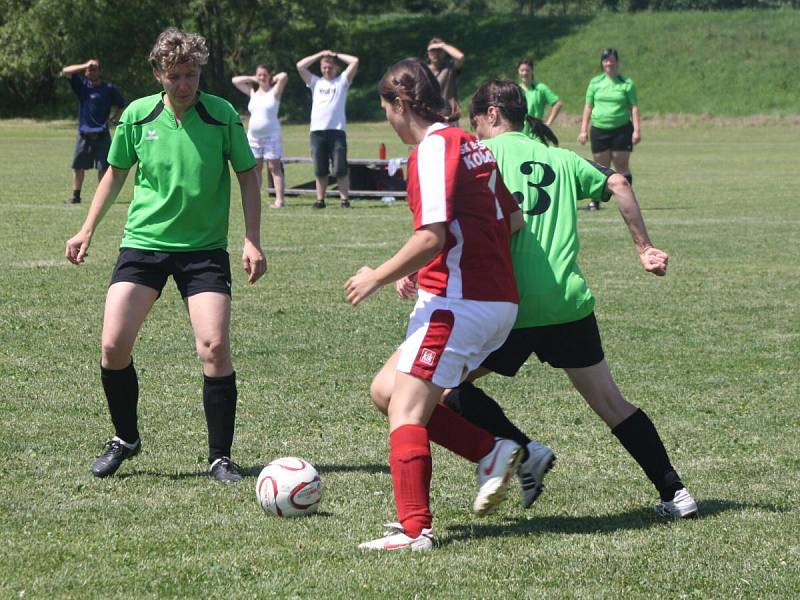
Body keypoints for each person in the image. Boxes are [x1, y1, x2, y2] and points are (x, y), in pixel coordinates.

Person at [438, 79, 695, 519]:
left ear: (493, 115)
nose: (475, 130)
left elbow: (457, 224)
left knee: (442, 390)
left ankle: (523, 450)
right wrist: (643, 248)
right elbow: (618, 182)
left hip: (509, 308)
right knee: (612, 405)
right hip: (567, 305)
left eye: (476, 121)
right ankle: (676, 493)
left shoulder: (480, 157)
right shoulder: (560, 158)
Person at [65, 28, 267, 484]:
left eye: (191, 74)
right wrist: (87, 228)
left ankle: (220, 457)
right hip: (144, 244)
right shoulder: (138, 115)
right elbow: (115, 175)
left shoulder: (222, 116)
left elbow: (248, 176)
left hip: (204, 252)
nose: (184, 85)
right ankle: (125, 437)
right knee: (113, 345)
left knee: (214, 347)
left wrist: (251, 238)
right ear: (159, 74)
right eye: (174, 75)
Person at [345, 59, 525, 552]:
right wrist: (432, 272)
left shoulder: (431, 149)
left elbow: (432, 235)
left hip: (458, 305)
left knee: (405, 409)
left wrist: (378, 276)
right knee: (386, 389)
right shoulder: (471, 144)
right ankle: (491, 451)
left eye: (386, 108)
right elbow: (511, 222)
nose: (388, 119)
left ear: (400, 104)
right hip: (492, 302)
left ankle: (414, 530)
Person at [578, 48, 640, 210]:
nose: (609, 63)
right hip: (599, 129)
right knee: (601, 166)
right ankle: (595, 202)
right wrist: (583, 129)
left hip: (621, 129)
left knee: (621, 163)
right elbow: (588, 106)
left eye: (612, 60)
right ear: (602, 63)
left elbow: (634, 107)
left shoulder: (626, 83)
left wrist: (637, 130)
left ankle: (628, 200)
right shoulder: (595, 82)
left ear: (617, 62)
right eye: (606, 60)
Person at [296, 49, 359, 209]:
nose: (327, 69)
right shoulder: (315, 82)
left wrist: (335, 55)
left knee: (340, 168)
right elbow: (300, 66)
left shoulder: (342, 82)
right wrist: (319, 55)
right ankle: (320, 200)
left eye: (330, 66)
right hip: (317, 132)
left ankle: (345, 201)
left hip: (337, 131)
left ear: (336, 67)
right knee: (320, 168)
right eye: (324, 67)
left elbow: (354, 61)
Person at [61, 58, 126, 204]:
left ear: (100, 71)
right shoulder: (82, 86)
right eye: (89, 69)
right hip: (84, 134)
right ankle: (76, 196)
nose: (91, 71)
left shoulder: (108, 89)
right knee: (78, 167)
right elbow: (65, 71)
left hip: (102, 134)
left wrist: (112, 120)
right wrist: (85, 64)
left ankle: (102, 196)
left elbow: (122, 105)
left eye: (94, 68)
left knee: (103, 168)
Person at [232, 65, 289, 208]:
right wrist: (252, 78)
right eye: (259, 75)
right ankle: (254, 198)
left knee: (274, 168)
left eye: (264, 75)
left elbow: (284, 76)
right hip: (254, 138)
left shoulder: (274, 92)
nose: (261, 77)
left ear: (269, 76)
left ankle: (279, 200)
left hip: (272, 136)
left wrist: (273, 79)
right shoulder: (253, 92)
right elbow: (235, 81)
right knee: (256, 168)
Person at [517, 58, 562, 134]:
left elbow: (557, 104)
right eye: (522, 70)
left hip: (536, 134)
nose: (524, 73)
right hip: (520, 134)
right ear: (518, 71)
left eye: (527, 70)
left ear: (532, 71)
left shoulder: (540, 88)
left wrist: (548, 124)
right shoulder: (516, 89)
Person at [426, 38, 464, 123]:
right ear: (428, 53)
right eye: (432, 50)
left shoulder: (450, 67)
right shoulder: (423, 71)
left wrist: (442, 45)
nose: (435, 53)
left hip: (450, 116)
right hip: (430, 115)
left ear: (444, 52)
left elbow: (460, 57)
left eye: (439, 50)